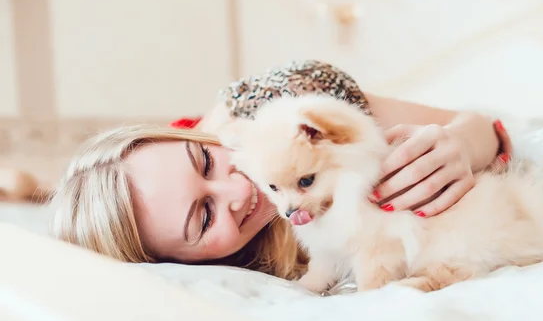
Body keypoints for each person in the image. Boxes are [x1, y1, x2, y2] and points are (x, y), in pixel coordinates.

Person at [51, 60, 511, 280]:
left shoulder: (289, 105)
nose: (236, 188)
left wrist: (463, 145)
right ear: (181, 264)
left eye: (206, 160)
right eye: (205, 216)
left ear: (188, 138)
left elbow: (484, 126)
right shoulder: (223, 273)